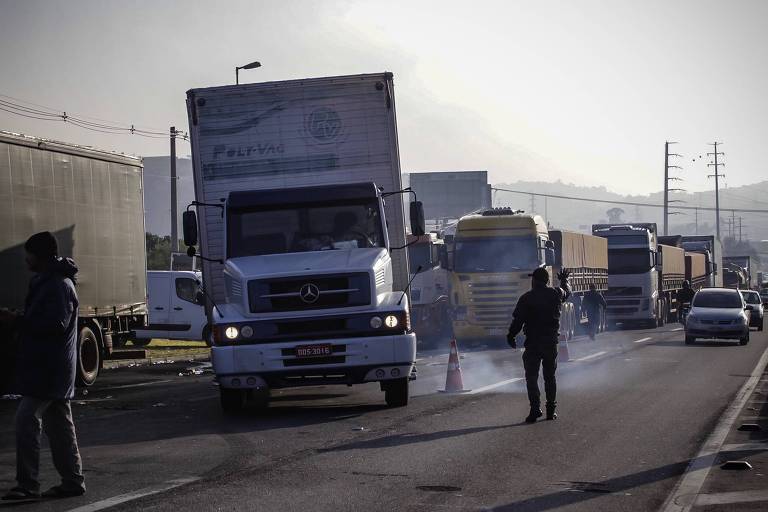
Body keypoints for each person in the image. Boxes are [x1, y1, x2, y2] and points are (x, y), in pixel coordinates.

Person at [0, 232, 85, 501]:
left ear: (40, 255)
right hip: (51, 367)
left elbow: (55, 324)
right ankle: (72, 481)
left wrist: (17, 321)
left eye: (29, 254)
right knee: (60, 427)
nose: (26, 259)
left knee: (26, 420)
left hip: (50, 369)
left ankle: (27, 485)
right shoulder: (49, 282)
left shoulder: (58, 285)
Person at [507, 267, 571, 423]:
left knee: (531, 377)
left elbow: (518, 321)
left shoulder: (526, 298)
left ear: (534, 281)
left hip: (533, 344)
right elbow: (567, 291)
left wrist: (511, 335)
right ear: (547, 280)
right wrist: (564, 280)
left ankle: (535, 409)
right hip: (550, 343)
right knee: (550, 377)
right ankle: (551, 410)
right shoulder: (555, 294)